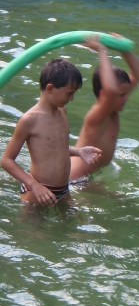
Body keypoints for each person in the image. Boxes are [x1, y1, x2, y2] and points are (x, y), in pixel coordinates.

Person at [1, 58, 101, 205]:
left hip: (64, 189)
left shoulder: (62, 112)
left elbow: (55, 148)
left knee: (73, 219)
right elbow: (6, 160)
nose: (72, 99)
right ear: (50, 89)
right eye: (69, 93)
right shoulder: (30, 120)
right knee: (33, 221)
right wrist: (34, 185)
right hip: (38, 191)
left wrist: (78, 151)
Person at [69, 35, 139, 181]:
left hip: (89, 176)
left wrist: (124, 50)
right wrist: (102, 51)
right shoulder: (96, 116)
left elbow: (138, 74)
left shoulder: (113, 106)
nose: (127, 98)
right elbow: (111, 90)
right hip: (74, 179)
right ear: (103, 94)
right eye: (122, 95)